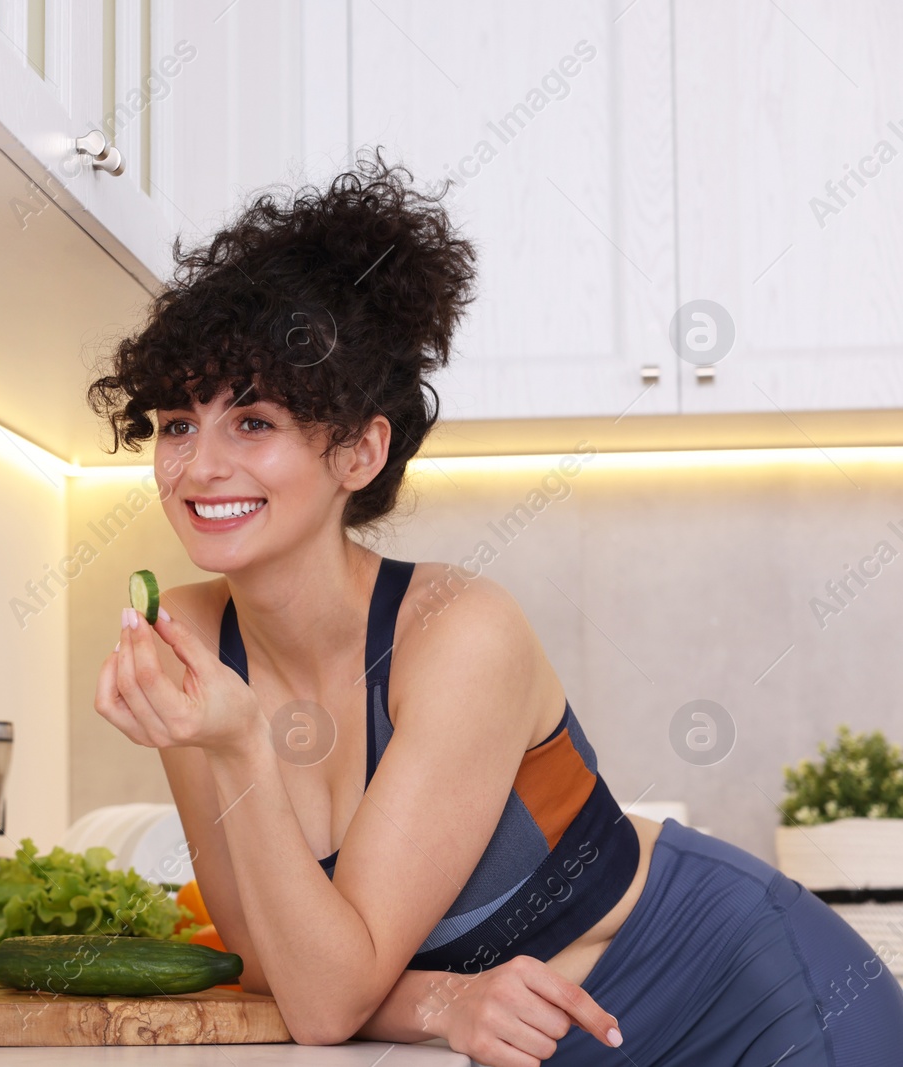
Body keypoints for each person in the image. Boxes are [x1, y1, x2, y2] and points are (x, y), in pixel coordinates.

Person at [88, 148, 903, 1065]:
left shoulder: (458, 632)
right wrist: (444, 1003)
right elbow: (274, 967)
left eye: (255, 421)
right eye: (176, 424)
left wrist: (239, 743)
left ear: (359, 452)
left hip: (746, 995)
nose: (198, 466)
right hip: (540, 1037)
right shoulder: (193, 638)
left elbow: (324, 1001)